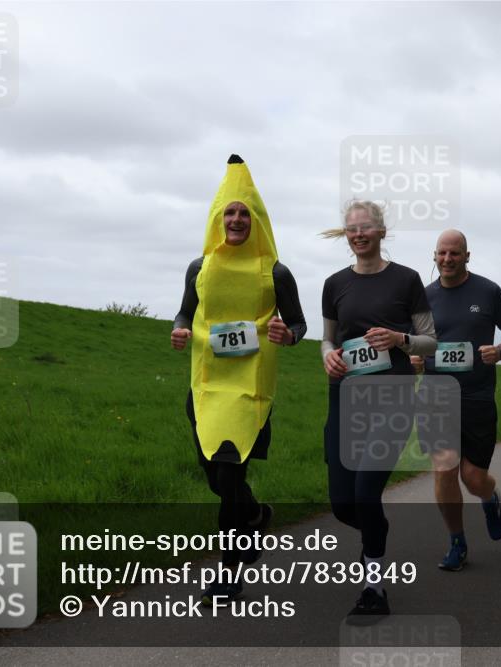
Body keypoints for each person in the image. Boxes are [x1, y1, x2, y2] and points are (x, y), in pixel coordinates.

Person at [171, 154, 306, 605]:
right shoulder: (200, 268)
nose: (235, 219)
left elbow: (300, 326)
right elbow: (184, 312)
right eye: (228, 212)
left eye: (243, 213)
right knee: (216, 477)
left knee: (229, 476)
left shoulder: (276, 272)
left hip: (249, 391)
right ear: (216, 219)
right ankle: (255, 515)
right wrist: (179, 329)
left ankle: (228, 575)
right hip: (205, 388)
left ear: (258, 222)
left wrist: (287, 334)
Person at [321, 201, 437, 622]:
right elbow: (327, 340)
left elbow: (430, 341)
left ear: (381, 232)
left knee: (367, 493)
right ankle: (377, 532)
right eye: (351, 228)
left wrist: (399, 338)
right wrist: (328, 355)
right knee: (342, 503)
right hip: (344, 399)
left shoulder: (405, 280)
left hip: (392, 398)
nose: (358, 234)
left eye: (365, 227)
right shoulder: (334, 284)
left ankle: (374, 586)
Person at [409, 230, 501, 572]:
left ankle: (490, 498)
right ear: (434, 256)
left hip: (476, 397)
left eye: (454, 253)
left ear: (467, 256)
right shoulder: (423, 298)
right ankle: (456, 541)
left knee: (473, 478)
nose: (447, 259)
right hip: (434, 395)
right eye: (442, 253)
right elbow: (412, 343)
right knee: (444, 467)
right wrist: (413, 360)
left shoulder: (487, 291)